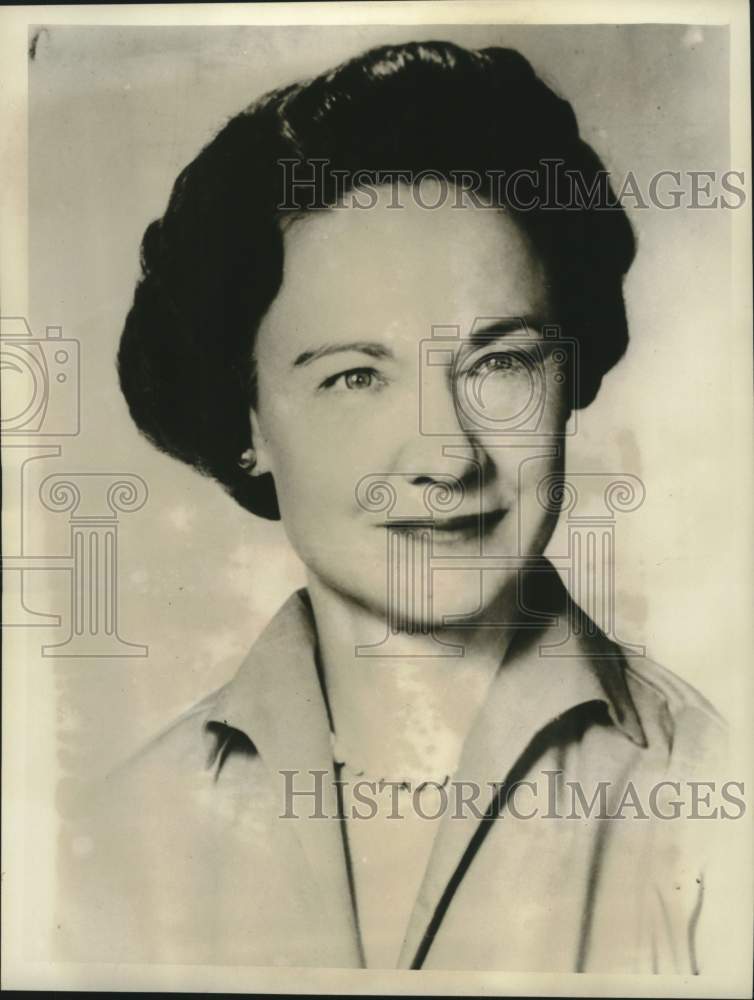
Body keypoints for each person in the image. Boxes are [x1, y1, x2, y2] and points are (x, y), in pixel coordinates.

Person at [61, 40, 728, 972]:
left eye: (500, 362)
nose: (449, 454)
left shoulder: (714, 796)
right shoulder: (109, 835)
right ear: (244, 416)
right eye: (354, 377)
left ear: (570, 374)